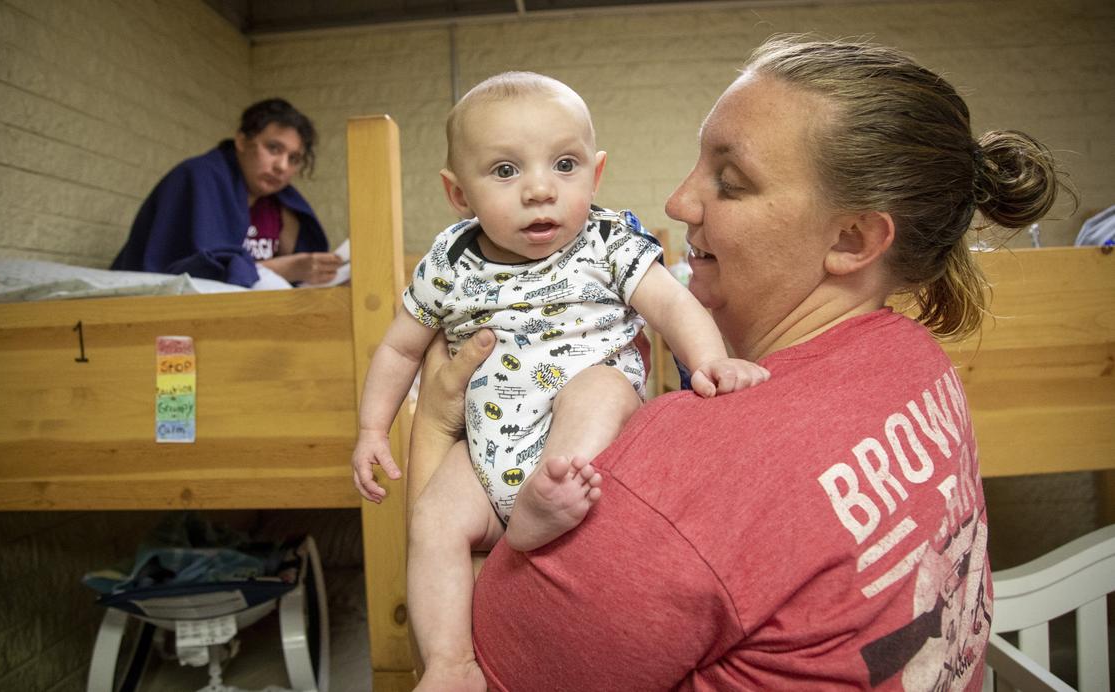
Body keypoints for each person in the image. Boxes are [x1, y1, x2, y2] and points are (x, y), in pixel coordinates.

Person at [407, 36, 1071, 691]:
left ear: (853, 238)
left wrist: (435, 427)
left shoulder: (674, 482)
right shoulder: (912, 358)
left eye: (729, 181)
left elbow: (477, 665)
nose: (677, 202)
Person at [350, 71, 768, 688]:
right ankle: (450, 662)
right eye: (504, 171)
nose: (540, 190)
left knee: (601, 386)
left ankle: (544, 504)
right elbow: (397, 348)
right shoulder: (448, 262)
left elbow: (674, 307)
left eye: (564, 164)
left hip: (579, 434)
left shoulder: (606, 242)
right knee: (434, 520)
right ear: (457, 193)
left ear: (596, 175)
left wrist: (710, 360)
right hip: (486, 446)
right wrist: (371, 426)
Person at [111, 98, 341, 288]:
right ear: (241, 141)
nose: (282, 166)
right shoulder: (198, 178)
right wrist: (287, 268)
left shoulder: (284, 206)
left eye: (294, 158)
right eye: (273, 148)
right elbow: (192, 274)